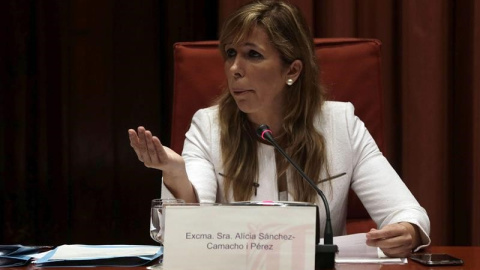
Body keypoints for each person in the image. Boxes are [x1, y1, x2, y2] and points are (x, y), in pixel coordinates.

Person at [128, 0, 430, 258]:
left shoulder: (342, 124)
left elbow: (407, 213)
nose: (235, 68)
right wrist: (177, 176)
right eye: (231, 53)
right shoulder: (208, 126)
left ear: (292, 70)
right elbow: (189, 234)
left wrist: (408, 232)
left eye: (253, 54)